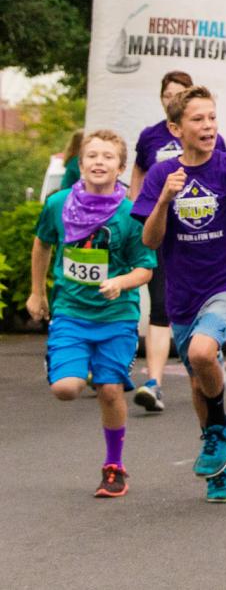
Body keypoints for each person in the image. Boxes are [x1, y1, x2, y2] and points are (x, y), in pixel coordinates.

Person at [134, 85, 226, 503]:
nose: (207, 126)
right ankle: (219, 462)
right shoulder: (164, 175)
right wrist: (164, 200)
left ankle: (217, 428)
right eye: (198, 119)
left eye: (212, 117)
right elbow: (150, 239)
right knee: (201, 379)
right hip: (184, 290)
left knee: (201, 355)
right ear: (175, 127)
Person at [27, 130, 156, 497]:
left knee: (110, 390)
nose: (99, 162)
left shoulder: (132, 214)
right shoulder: (58, 204)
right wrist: (37, 293)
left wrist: (121, 282)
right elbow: (42, 244)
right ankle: (65, 358)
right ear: (80, 165)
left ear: (120, 167)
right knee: (66, 389)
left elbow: (145, 267)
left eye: (108, 157)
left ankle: (114, 466)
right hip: (71, 311)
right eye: (92, 156)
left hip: (117, 316)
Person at [129, 69, 226, 414]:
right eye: (168, 94)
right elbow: (140, 172)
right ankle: (154, 381)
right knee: (159, 306)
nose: (173, 98)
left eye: (179, 93)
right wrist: (140, 205)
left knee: (199, 341)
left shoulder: (210, 139)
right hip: (161, 231)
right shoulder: (150, 137)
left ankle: (210, 357)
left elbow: (225, 181)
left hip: (201, 243)